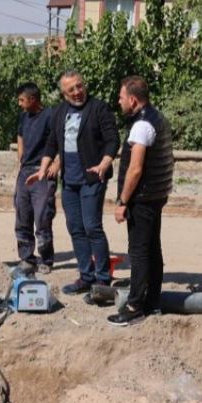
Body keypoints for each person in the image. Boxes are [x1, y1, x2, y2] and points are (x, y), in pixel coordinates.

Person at [27, 70, 119, 295]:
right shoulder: (59, 112)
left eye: (79, 86)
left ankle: (103, 279)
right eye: (71, 90)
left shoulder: (98, 108)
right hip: (69, 180)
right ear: (63, 94)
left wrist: (105, 163)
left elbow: (112, 139)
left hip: (92, 177)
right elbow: (52, 143)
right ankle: (86, 276)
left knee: (92, 226)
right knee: (75, 228)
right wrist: (43, 170)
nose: (77, 92)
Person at [108, 76, 174, 327]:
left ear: (133, 100)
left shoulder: (141, 126)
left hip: (143, 198)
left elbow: (135, 169)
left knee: (138, 252)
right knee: (152, 249)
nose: (119, 101)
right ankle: (153, 302)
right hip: (156, 195)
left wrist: (122, 201)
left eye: (121, 97)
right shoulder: (158, 118)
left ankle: (135, 306)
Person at [14, 82, 58, 274]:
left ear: (32, 99)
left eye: (22, 100)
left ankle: (46, 260)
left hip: (43, 173)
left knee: (42, 218)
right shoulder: (24, 117)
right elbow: (20, 137)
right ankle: (27, 258)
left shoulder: (50, 116)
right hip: (25, 172)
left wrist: (57, 164)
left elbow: (61, 141)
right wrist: (21, 157)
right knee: (22, 216)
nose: (19, 104)